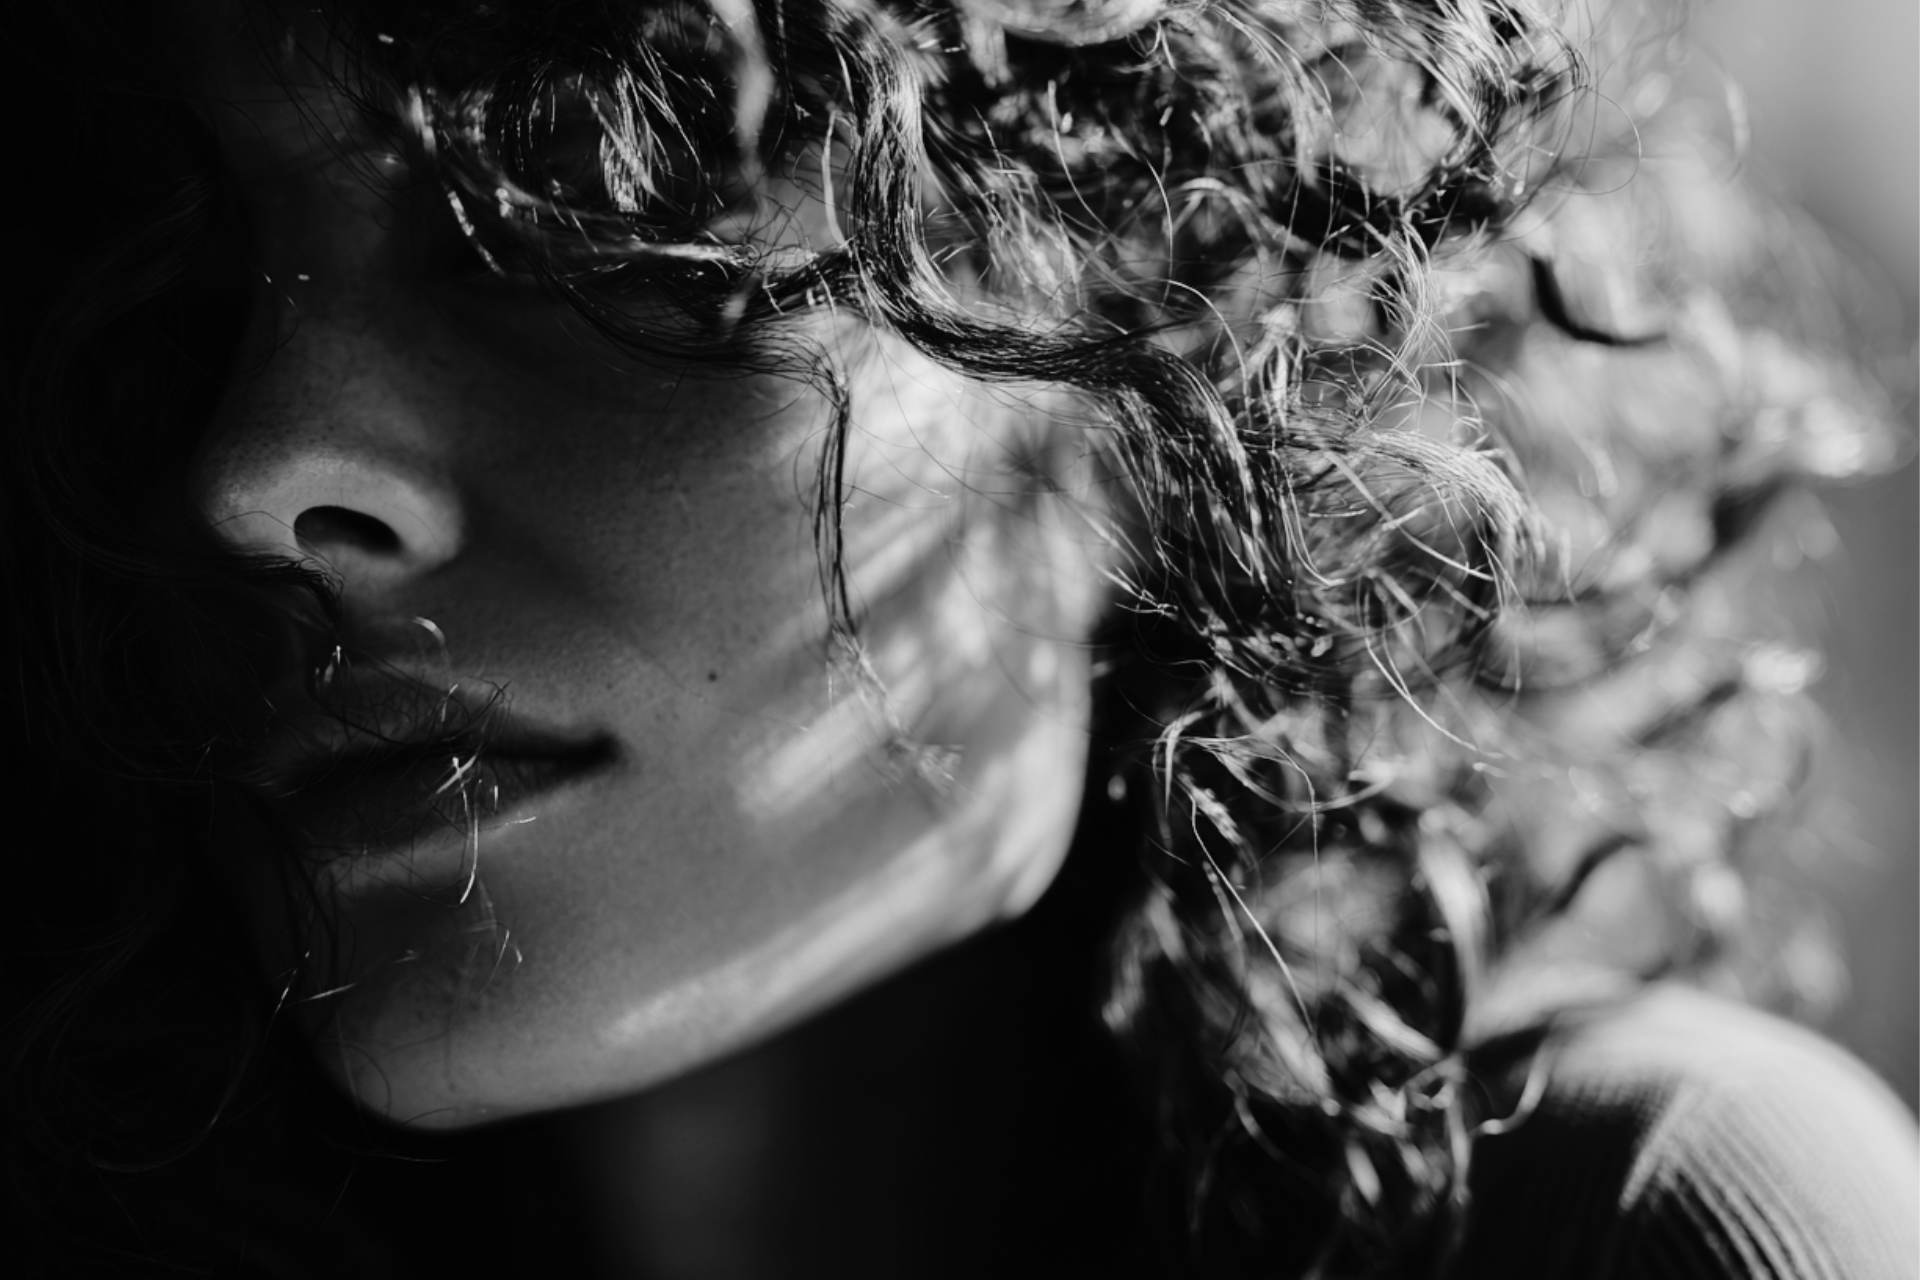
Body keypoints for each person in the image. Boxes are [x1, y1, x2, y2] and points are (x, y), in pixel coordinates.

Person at [3, 0, 1914, 1275]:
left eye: (583, 203)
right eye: (189, 273)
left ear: (1167, 321)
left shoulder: (1657, 1223)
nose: (251, 462)